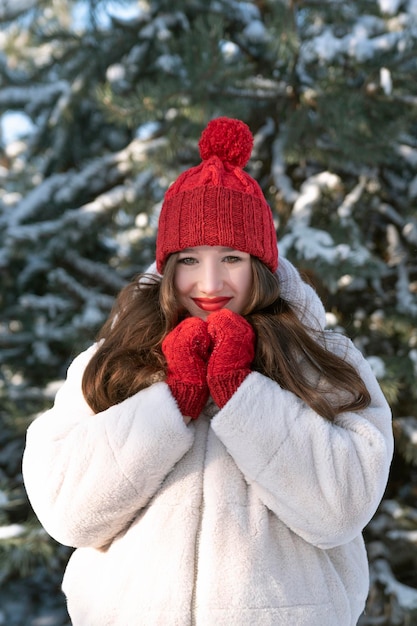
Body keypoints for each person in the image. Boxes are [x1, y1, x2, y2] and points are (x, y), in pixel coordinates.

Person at [22, 117, 393, 626]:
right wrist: (172, 400)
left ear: (259, 264)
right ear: (168, 265)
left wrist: (243, 393)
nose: (210, 282)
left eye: (232, 258)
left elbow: (342, 508)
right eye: (190, 259)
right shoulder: (111, 360)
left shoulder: (321, 357)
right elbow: (67, 511)